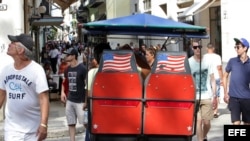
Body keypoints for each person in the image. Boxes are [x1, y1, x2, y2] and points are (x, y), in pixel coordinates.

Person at [0, 33, 49, 141]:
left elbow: (43, 98)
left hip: (33, 130)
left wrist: (44, 124)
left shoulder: (36, 70)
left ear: (21, 50)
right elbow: (1, 95)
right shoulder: (5, 70)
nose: (9, 44)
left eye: (13, 43)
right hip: (12, 130)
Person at [188, 41, 217, 141]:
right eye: (195, 47)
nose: (197, 49)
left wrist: (215, 95)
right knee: (198, 121)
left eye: (199, 47)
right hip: (194, 96)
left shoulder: (208, 62)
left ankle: (204, 136)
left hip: (207, 96)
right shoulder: (189, 62)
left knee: (207, 123)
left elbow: (212, 79)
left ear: (202, 47)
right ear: (192, 49)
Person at [60, 47, 87, 141]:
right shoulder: (67, 69)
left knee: (85, 122)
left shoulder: (82, 69)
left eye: (68, 55)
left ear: (73, 56)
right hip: (70, 100)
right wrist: (62, 93)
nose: (66, 56)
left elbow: (87, 86)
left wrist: (85, 101)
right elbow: (64, 82)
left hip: (80, 101)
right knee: (71, 123)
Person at [223, 38, 250, 125]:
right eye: (235, 47)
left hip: (246, 98)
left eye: (238, 47)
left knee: (247, 123)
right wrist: (225, 93)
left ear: (245, 48)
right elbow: (225, 76)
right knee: (236, 123)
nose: (236, 49)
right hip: (234, 98)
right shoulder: (232, 61)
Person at [203, 43, 223, 118]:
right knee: (216, 95)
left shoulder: (204, 57)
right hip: (216, 77)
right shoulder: (217, 57)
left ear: (206, 48)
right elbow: (219, 68)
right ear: (213, 48)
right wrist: (221, 79)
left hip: (207, 77)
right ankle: (215, 111)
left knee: (208, 94)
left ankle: (209, 110)